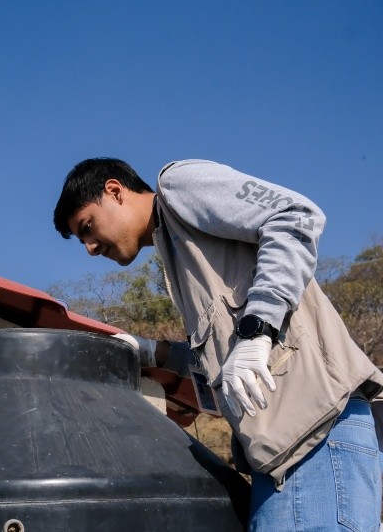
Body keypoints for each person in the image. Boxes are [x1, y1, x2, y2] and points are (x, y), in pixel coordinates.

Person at [53, 158, 383, 530]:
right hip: (275, 459)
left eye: (88, 228)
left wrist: (258, 328)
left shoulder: (179, 185)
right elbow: (222, 361)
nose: (91, 248)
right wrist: (154, 352)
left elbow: (296, 216)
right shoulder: (178, 256)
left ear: (114, 191)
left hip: (318, 438)